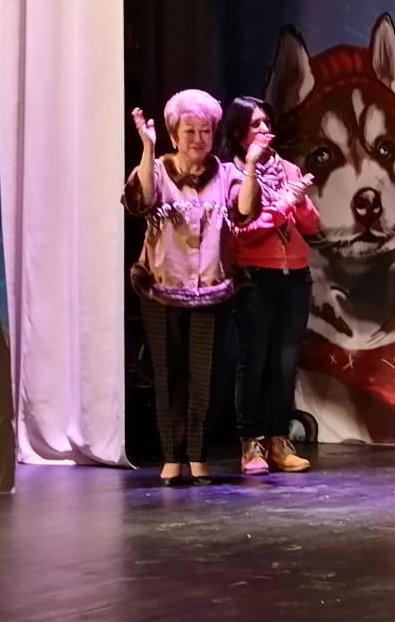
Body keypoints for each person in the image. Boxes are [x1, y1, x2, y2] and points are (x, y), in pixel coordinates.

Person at [123, 90, 266, 486]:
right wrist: (147, 147)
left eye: (205, 131)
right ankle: (172, 456)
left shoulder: (225, 173)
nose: (198, 139)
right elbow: (141, 201)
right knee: (168, 374)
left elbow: (244, 210)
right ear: (174, 135)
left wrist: (251, 166)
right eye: (189, 131)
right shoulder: (157, 169)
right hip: (161, 289)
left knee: (204, 376)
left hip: (211, 291)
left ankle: (198, 455)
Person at [217, 96, 320, 476]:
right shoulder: (231, 174)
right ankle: (251, 443)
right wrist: (282, 207)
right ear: (239, 133)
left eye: (267, 123)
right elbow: (242, 230)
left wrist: (300, 203)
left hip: (295, 276)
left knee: (285, 363)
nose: (264, 130)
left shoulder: (288, 169)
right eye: (255, 124)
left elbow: (311, 225)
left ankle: (279, 440)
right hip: (256, 277)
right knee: (254, 363)